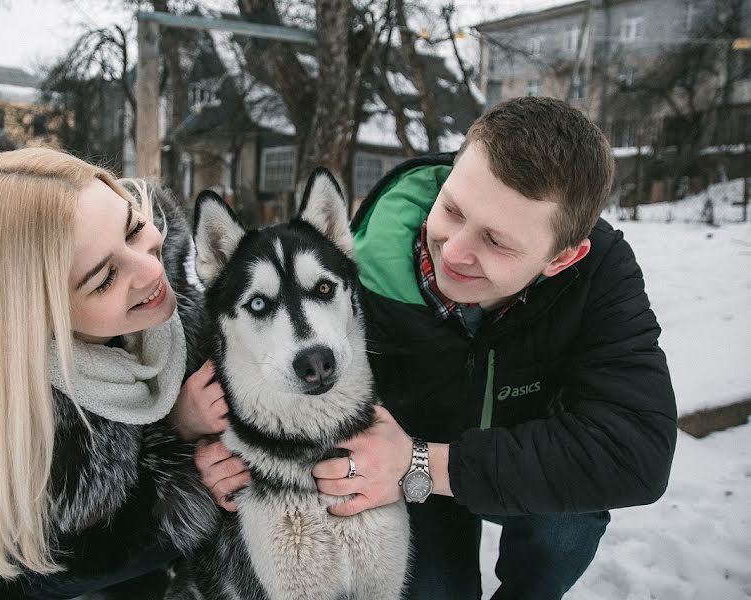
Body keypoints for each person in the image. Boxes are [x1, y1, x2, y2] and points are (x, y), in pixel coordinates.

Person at [196, 96, 678, 599]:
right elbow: (254, 350)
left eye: (498, 241)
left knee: (564, 525)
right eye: (451, 209)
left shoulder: (598, 275)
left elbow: (635, 451)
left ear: (561, 258)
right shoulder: (355, 278)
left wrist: (423, 462)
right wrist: (200, 437)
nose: (455, 251)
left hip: (499, 467)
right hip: (402, 480)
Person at [0, 148, 225, 599]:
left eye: (134, 229)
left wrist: (349, 461)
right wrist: (177, 447)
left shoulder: (202, 311)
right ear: (34, 316)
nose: (152, 268)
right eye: (103, 279)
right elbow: (33, 572)